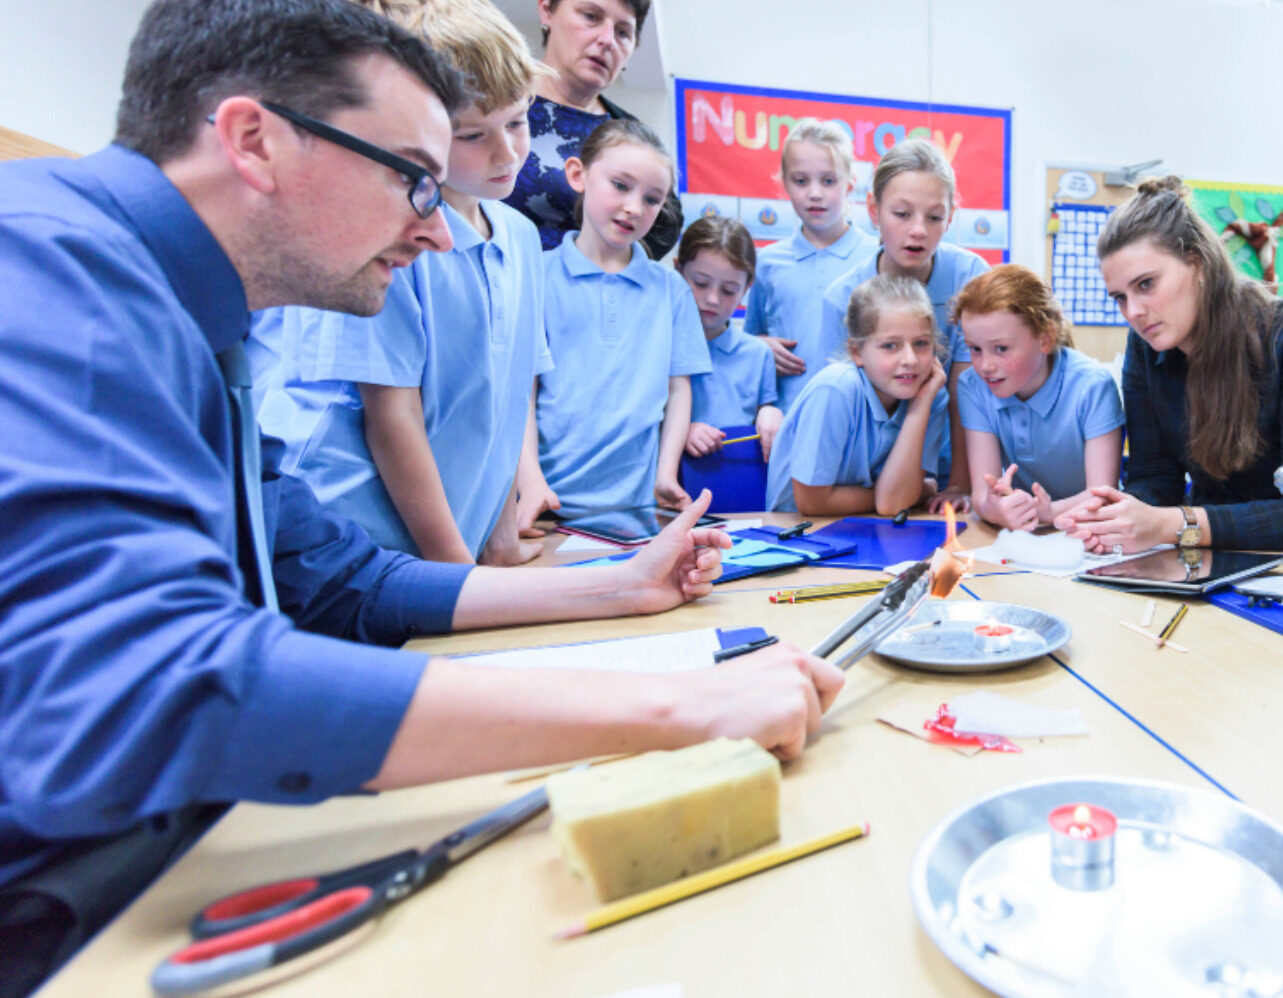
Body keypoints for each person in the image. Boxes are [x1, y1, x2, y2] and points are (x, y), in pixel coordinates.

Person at [0, 2, 844, 991]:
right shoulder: (45, 265)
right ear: (253, 139)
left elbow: (329, 573)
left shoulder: (196, 316)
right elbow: (149, 682)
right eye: (410, 176)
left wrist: (609, 588)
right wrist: (678, 707)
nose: (436, 229)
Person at [254, 0, 558, 566]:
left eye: (517, 121)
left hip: (445, 544)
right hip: (343, 532)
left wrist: (498, 544)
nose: (508, 153)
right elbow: (392, 418)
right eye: (472, 136)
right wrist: (456, 574)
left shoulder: (518, 236)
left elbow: (509, 398)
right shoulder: (390, 229)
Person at [1056, 176, 1283, 554]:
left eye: (1146, 284)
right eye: (1120, 298)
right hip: (1211, 559)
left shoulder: (1276, 338)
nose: (1134, 312)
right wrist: (1117, 516)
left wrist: (1176, 524)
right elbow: (1155, 478)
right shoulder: (1146, 348)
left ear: (1198, 264)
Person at [536, 118, 710, 515]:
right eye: (620, 185)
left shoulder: (671, 290)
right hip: (547, 503)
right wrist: (530, 481)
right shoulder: (536, 277)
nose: (634, 207)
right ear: (578, 175)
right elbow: (521, 392)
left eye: (652, 199)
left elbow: (678, 389)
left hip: (636, 508)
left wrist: (665, 475)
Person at [820, 138, 988, 511]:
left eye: (934, 217)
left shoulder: (970, 277)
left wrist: (959, 483)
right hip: (865, 481)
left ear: (951, 216)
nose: (918, 231)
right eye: (902, 214)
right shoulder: (843, 297)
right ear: (873, 210)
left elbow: (967, 394)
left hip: (950, 469)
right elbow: (839, 406)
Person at [502, 0, 682, 258]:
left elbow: (666, 226)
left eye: (623, 32)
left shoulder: (632, 138)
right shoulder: (492, 99)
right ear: (546, 9)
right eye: (591, 16)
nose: (607, 40)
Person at [953, 265, 1124, 532]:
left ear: (1045, 339)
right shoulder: (972, 387)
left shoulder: (1093, 387)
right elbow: (981, 496)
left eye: (1001, 349)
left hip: (1088, 530)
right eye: (975, 349)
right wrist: (996, 510)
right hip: (1024, 534)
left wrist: (1048, 512)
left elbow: (1102, 494)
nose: (985, 365)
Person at [765, 275, 949, 515]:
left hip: (873, 530)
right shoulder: (836, 389)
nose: (910, 360)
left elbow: (893, 505)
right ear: (856, 352)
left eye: (921, 343)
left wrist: (918, 408)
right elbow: (811, 503)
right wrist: (916, 492)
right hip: (799, 534)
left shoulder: (931, 395)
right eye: (890, 346)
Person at [743, 118, 873, 412]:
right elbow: (751, 339)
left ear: (849, 183)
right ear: (785, 183)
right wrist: (758, 348)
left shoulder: (875, 257)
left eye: (828, 181)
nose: (815, 193)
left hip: (856, 420)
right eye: (801, 181)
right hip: (787, 420)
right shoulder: (767, 263)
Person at [676, 216, 782, 462]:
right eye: (700, 283)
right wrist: (683, 431)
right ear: (678, 271)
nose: (712, 299)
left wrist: (770, 412)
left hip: (734, 485)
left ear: (747, 288)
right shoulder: (658, 344)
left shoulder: (758, 355)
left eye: (728, 290)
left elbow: (763, 414)